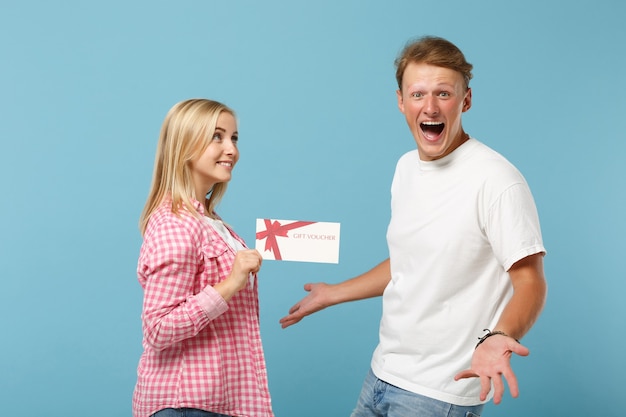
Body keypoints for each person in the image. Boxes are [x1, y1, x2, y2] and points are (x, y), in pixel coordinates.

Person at [280, 36, 547, 417]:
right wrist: (334, 293)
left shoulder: (497, 180)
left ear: (465, 100)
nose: (431, 106)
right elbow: (410, 262)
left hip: (438, 394)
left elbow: (530, 281)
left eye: (444, 93)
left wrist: (500, 337)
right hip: (382, 374)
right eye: (418, 94)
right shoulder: (406, 168)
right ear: (401, 102)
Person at [132, 99, 274, 417]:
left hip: (214, 401)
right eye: (217, 136)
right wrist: (232, 283)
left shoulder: (210, 222)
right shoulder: (175, 224)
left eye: (234, 138)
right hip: (186, 405)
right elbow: (157, 329)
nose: (231, 150)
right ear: (185, 146)